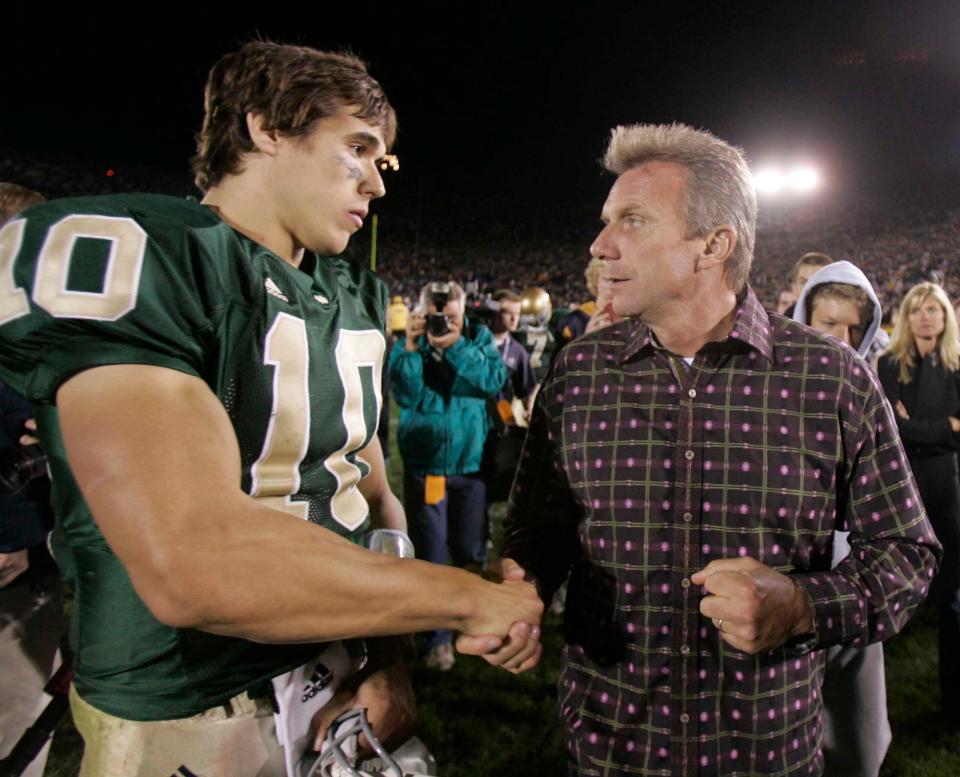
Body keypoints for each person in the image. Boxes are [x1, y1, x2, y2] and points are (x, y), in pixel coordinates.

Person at [0, 42, 542, 777]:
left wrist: (389, 658)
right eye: (359, 148)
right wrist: (460, 599)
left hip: (337, 673)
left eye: (382, 162)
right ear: (265, 128)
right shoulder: (151, 254)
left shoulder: (352, 293)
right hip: (191, 698)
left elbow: (372, 490)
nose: (377, 184)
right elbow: (193, 559)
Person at [492, 123, 939, 776]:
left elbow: (906, 554)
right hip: (608, 748)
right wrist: (519, 586)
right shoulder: (577, 372)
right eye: (606, 219)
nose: (599, 244)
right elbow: (540, 525)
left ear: (713, 245)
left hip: (767, 751)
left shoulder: (832, 377)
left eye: (633, 220)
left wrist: (802, 605)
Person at [792, 260, 891, 777]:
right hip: (784, 573)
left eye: (854, 327)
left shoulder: (868, 391)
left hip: (852, 579)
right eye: (829, 323)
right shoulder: (765, 388)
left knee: (857, 737)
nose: (843, 338)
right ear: (804, 315)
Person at [389, 281, 508, 671]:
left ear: (463, 314)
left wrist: (455, 346)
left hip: (471, 466)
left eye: (452, 318)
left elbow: (493, 381)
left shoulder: (476, 338)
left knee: (471, 551)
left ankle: (474, 626)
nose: (444, 324)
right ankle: (437, 639)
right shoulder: (411, 344)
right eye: (438, 318)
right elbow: (405, 395)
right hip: (429, 469)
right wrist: (410, 346)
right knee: (432, 555)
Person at [878, 282, 960, 720]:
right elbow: (892, 428)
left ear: (945, 317)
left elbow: (909, 425)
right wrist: (946, 425)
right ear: (906, 318)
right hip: (904, 480)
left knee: (950, 586)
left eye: (935, 309)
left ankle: (952, 701)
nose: (927, 316)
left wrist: (916, 425)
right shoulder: (889, 364)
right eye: (918, 310)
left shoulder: (957, 363)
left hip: (948, 482)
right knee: (898, 571)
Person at [783, 252, 834, 318]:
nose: (808, 288)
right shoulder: (786, 319)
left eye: (816, 282)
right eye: (803, 282)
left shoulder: (843, 318)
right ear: (795, 286)